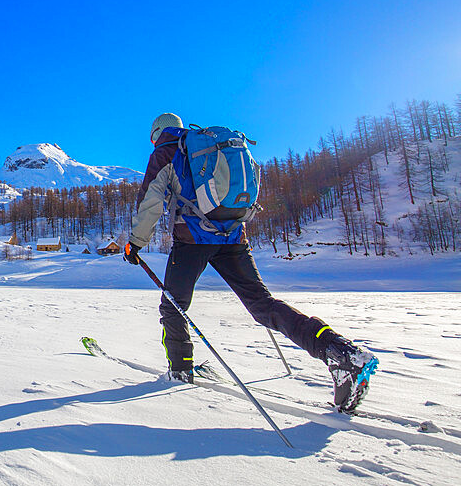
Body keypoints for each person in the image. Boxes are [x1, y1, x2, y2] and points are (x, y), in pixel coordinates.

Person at [124, 113, 377, 412]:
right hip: (233, 237)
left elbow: (150, 202)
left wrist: (136, 243)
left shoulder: (166, 151)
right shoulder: (207, 145)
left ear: (156, 134)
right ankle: (337, 350)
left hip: (192, 241)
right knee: (263, 304)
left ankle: (180, 372)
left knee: (173, 307)